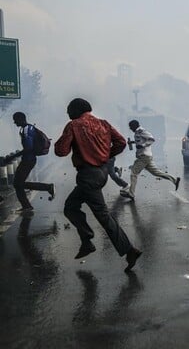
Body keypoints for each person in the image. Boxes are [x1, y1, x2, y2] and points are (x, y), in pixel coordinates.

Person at [54, 98, 142, 271]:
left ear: (76, 110)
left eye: (69, 110)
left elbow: (61, 151)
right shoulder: (104, 124)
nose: (67, 113)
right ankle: (87, 240)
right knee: (70, 206)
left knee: (103, 216)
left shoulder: (74, 125)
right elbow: (121, 142)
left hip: (88, 176)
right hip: (101, 173)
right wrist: (106, 155)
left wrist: (62, 140)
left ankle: (129, 250)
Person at [120, 120, 180, 200]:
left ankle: (131, 194)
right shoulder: (137, 132)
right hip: (147, 157)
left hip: (143, 156)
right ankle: (175, 180)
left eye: (131, 127)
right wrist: (133, 142)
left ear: (135, 126)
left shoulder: (142, 131)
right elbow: (141, 140)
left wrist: (142, 145)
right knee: (156, 172)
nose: (130, 129)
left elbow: (151, 139)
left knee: (133, 173)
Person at [11, 112, 55, 212]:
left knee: (18, 184)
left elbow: (28, 148)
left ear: (21, 119)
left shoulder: (27, 130)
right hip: (29, 159)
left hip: (28, 160)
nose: (14, 122)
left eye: (15, 119)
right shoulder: (28, 128)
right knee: (18, 183)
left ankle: (28, 205)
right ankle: (47, 188)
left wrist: (12, 157)